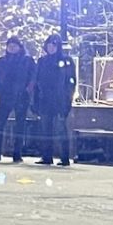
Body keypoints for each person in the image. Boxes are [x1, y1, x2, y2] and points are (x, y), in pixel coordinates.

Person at [0, 36, 35, 163]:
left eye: (14, 45)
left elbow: (33, 79)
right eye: (9, 46)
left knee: (20, 126)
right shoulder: (2, 61)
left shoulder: (27, 61)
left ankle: (17, 154)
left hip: (21, 97)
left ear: (19, 47)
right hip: (5, 96)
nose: (12, 48)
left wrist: (28, 93)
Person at [32, 34, 76, 167]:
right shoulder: (42, 61)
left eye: (54, 45)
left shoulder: (67, 61)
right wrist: (35, 101)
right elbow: (37, 82)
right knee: (46, 129)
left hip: (60, 100)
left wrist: (68, 99)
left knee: (60, 129)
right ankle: (47, 156)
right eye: (49, 44)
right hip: (45, 100)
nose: (51, 47)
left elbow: (71, 81)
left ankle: (64, 157)